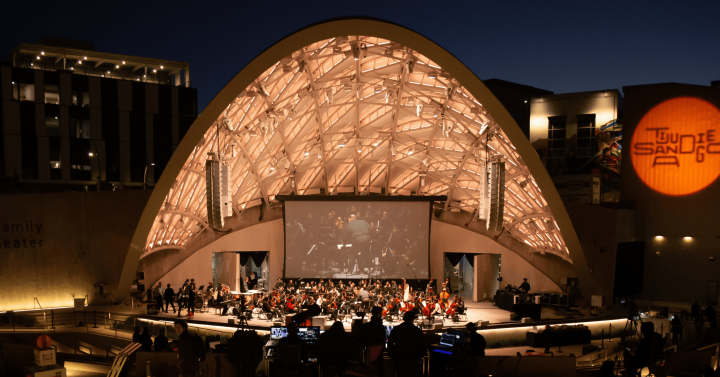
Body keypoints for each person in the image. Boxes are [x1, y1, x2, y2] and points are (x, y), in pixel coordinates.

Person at [387, 312, 426, 377]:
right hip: (413, 359)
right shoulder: (417, 331)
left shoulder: (396, 329)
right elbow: (423, 345)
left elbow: (390, 344)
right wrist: (420, 356)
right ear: (413, 319)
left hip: (399, 359)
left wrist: (392, 356)